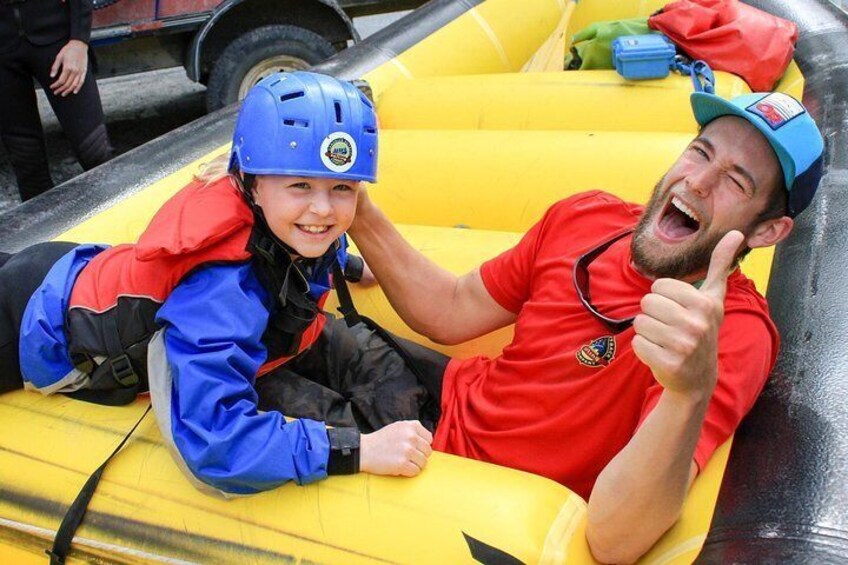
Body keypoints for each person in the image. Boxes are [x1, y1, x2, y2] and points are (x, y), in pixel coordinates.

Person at [258, 91, 825, 563]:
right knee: (280, 329)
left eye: (736, 182)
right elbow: (451, 309)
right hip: (443, 391)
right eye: (700, 152)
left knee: (247, 394)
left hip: (444, 471)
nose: (698, 182)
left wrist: (689, 390)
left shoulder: (733, 333)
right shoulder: (587, 217)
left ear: (767, 233)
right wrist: (353, 204)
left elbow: (615, 539)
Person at [0, 71, 434, 496]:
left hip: (65, 268)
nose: (322, 209)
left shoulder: (286, 219)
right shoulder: (222, 290)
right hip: (26, 319)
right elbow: (216, 442)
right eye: (301, 185)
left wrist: (353, 266)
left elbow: (310, 239)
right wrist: (356, 451)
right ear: (253, 185)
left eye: (343, 188)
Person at [0, 0, 113, 202]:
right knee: (27, 162)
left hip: (57, 40)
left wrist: (79, 41)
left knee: (95, 152)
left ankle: (124, 225)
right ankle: (44, 232)